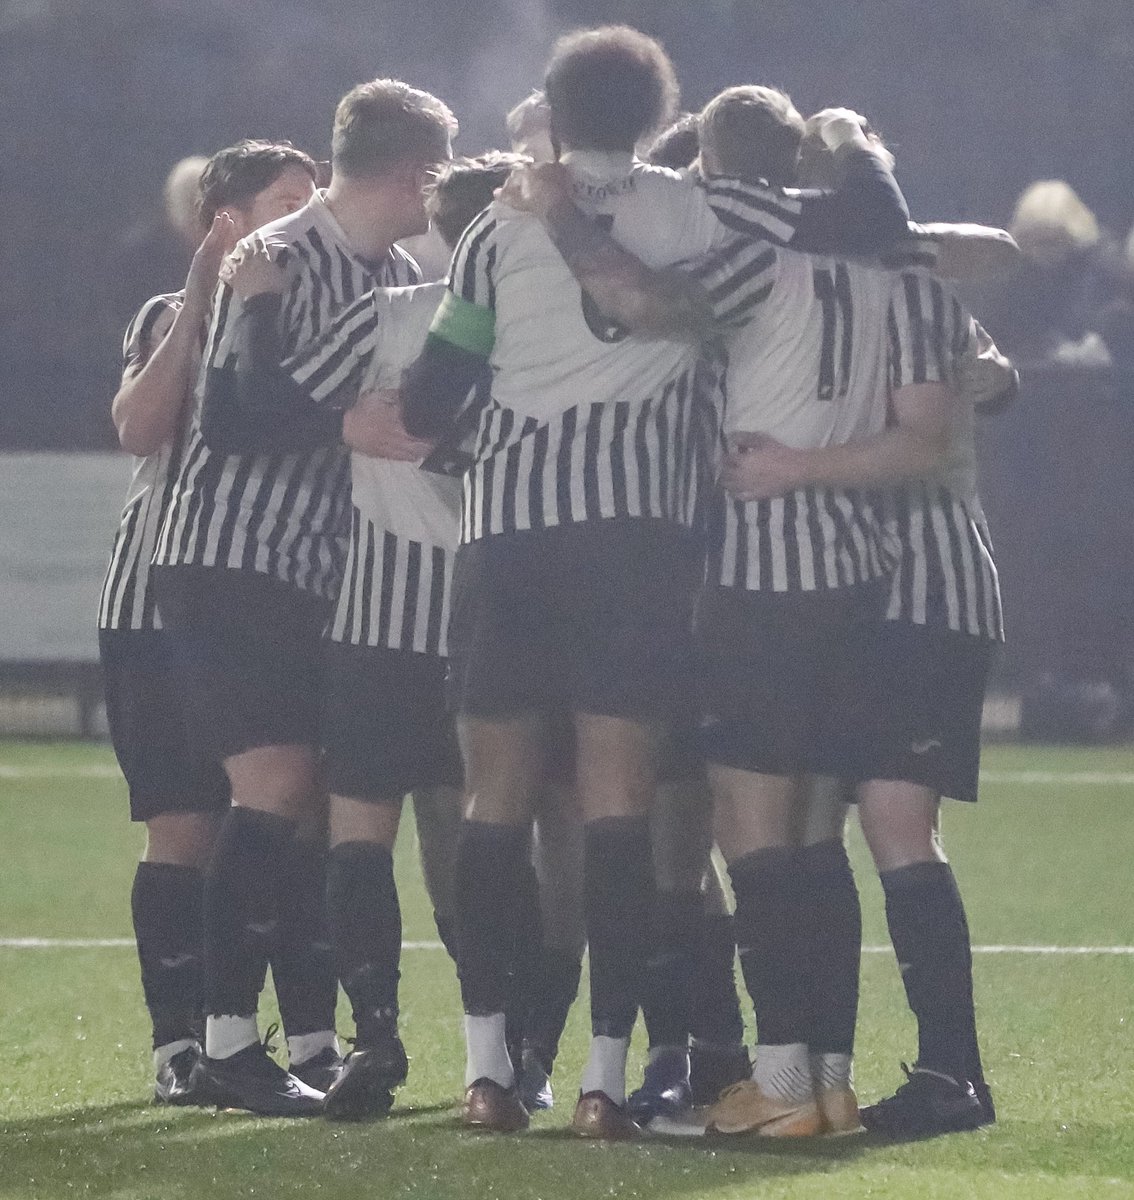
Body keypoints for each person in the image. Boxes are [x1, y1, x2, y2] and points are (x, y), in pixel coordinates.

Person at [402, 26, 910, 1138]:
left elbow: (429, 397)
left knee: (493, 810)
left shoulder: (494, 227)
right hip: (633, 540)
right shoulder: (694, 208)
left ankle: (489, 1069)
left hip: (504, 539)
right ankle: (603, 1078)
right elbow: (734, 298)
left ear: (554, 104)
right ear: (651, 110)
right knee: (620, 812)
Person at [500, 88, 1016, 1138]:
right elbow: (977, 382)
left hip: (828, 580)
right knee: (817, 830)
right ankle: (820, 1077)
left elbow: (635, 299)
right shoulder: (906, 282)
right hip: (870, 579)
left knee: (794, 828)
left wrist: (556, 208)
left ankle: (804, 1080)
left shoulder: (756, 268)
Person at [149, 80, 456, 1117]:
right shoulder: (282, 252)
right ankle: (223, 1044)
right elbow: (233, 415)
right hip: (233, 556)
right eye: (441, 169)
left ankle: (278, 1040)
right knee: (273, 788)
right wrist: (344, 428)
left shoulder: (395, 270)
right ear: (415, 171)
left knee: (306, 801)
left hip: (313, 570)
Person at [97, 139, 324, 1105]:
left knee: (286, 814)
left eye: (309, 204)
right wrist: (198, 299)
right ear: (219, 222)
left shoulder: (318, 305)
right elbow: (140, 429)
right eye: (282, 204)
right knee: (184, 825)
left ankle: (298, 1036)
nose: (300, 223)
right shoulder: (169, 313)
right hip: (155, 599)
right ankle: (179, 1047)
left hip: (269, 593)